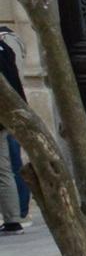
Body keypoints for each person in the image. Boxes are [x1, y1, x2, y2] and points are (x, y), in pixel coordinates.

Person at [0, 28, 32, 232]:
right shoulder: (6, 46)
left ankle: (15, 216)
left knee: (7, 168)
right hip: (8, 115)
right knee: (7, 168)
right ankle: (14, 216)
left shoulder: (6, 42)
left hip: (6, 115)